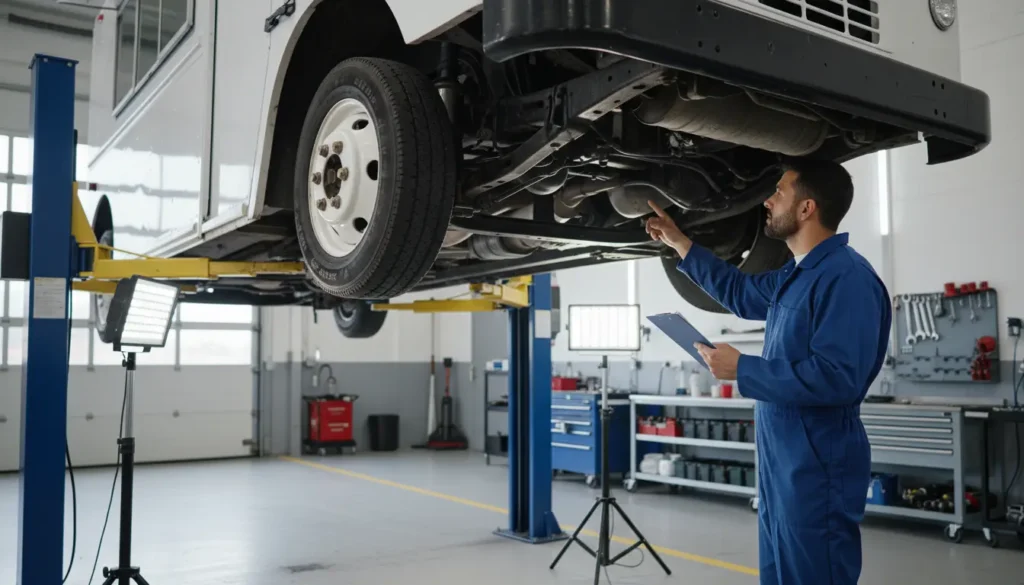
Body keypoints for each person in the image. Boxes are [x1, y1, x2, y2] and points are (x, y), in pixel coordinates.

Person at [645, 158, 891, 585]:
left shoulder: (846, 277)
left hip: (818, 462)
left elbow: (837, 377)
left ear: (806, 208)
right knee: (778, 574)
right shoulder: (797, 274)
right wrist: (680, 242)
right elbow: (740, 293)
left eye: (779, 191)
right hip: (783, 459)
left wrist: (743, 368)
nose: (769, 200)